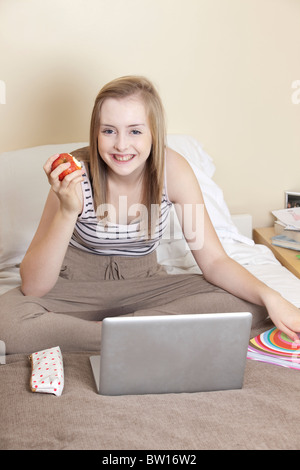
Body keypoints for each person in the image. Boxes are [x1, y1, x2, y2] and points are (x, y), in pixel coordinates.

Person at [1, 75, 300, 354]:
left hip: (145, 285)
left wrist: (274, 298)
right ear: (95, 133)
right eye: (108, 131)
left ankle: (120, 330)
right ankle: (140, 333)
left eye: (134, 131)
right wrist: (67, 211)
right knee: (7, 321)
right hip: (75, 287)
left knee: (249, 304)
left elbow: (215, 261)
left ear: (153, 133)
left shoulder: (174, 171)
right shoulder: (75, 173)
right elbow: (33, 286)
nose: (121, 145)